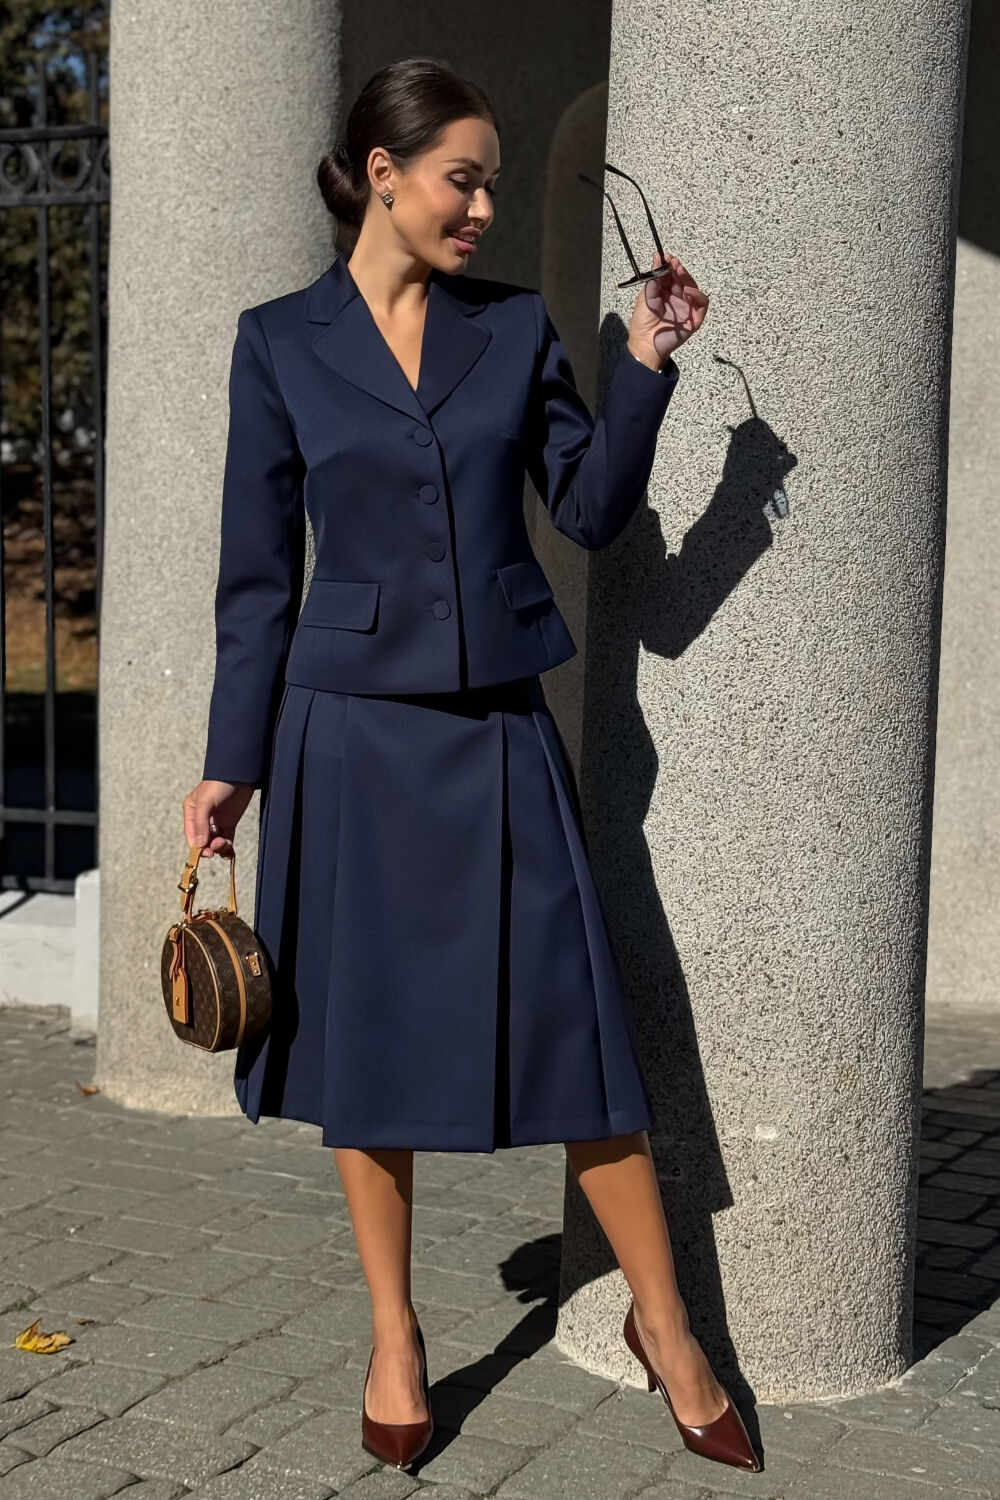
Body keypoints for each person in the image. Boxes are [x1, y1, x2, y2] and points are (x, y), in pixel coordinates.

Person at [183, 55, 758, 1478]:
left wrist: (644, 364)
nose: (486, 207)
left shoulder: (510, 331)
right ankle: (394, 1337)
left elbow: (590, 507)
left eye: (493, 183)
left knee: (578, 1035)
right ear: (383, 174)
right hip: (343, 742)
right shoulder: (279, 343)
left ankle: (667, 1326)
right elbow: (256, 580)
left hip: (498, 731)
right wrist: (230, 764)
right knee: (365, 1052)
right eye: (465, 179)